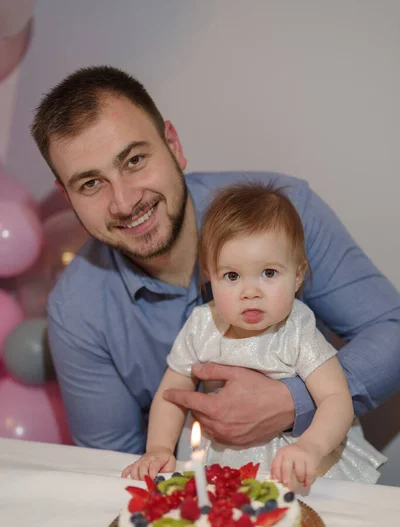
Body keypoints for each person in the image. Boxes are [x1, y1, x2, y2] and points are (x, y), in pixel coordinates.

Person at [30, 65, 400, 458]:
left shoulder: (283, 211)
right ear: (67, 196)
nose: (124, 202)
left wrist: (291, 402)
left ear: (173, 145)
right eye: (90, 184)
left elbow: (392, 330)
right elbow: (111, 466)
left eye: (134, 160)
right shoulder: (76, 311)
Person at [122, 183, 386, 486]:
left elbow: (336, 399)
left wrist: (310, 447)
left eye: (269, 273)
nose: (250, 292)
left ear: (298, 275)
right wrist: (158, 448)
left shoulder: (296, 329)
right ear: (209, 276)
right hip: (218, 460)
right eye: (232, 276)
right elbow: (172, 393)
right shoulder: (202, 324)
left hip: (290, 459)